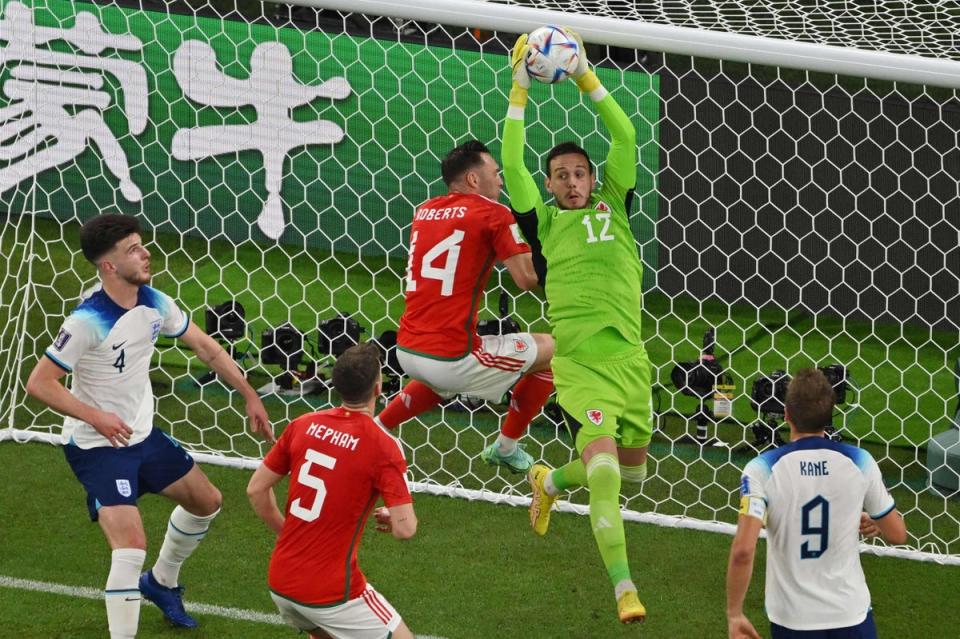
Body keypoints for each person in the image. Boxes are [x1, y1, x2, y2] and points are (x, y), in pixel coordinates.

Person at [25, 213, 274, 638]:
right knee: (130, 547)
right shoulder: (88, 320)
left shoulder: (155, 301)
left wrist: (250, 394)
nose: (145, 253)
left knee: (207, 502)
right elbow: (39, 383)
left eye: (142, 244)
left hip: (142, 435)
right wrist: (97, 417)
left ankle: (160, 583)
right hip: (96, 446)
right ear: (108, 266)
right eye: (132, 250)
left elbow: (207, 349)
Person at [502, 29, 651, 623]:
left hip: (631, 363)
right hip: (581, 366)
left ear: (594, 180)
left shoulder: (616, 200)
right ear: (550, 184)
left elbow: (627, 134)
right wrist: (520, 88)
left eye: (579, 173)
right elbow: (511, 159)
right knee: (610, 475)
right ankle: (624, 588)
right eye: (560, 174)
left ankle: (548, 480)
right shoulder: (541, 222)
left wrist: (586, 75)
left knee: (632, 473)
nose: (571, 181)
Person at [375, 139, 555, 474]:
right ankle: (506, 447)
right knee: (556, 352)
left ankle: (379, 427)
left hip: (406, 351)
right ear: (474, 180)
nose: (500, 180)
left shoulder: (425, 209)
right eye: (496, 173)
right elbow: (527, 279)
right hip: (452, 359)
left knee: (439, 374)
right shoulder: (494, 212)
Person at [247, 343, 417, 639]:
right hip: (333, 593)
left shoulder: (303, 424)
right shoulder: (383, 446)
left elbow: (256, 490)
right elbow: (406, 530)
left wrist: (284, 531)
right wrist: (396, 518)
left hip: (282, 582)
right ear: (378, 387)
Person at [726, 368, 908, 639]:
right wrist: (876, 521)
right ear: (831, 413)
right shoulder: (860, 461)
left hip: (794, 619)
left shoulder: (761, 469)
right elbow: (898, 534)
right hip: (851, 613)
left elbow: (743, 550)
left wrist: (735, 613)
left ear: (787, 414)